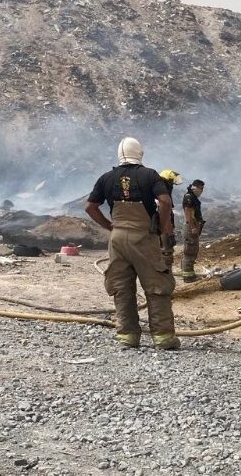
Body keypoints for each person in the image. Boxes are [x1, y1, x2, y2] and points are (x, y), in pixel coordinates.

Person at [85, 137, 180, 350]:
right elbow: (164, 201)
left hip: (117, 239)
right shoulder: (149, 175)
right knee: (157, 285)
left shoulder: (106, 178)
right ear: (140, 153)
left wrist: (110, 226)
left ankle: (127, 335)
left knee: (121, 287)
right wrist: (163, 226)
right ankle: (163, 337)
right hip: (144, 238)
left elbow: (90, 206)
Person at [158, 169, 183, 272]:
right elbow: (165, 215)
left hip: (160, 229)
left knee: (162, 253)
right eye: (171, 182)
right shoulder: (162, 196)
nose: (172, 185)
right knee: (166, 253)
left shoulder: (158, 193)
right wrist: (170, 233)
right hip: (163, 230)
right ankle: (165, 278)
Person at [180, 179, 205, 281]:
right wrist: (193, 227)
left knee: (191, 250)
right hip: (191, 227)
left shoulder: (192, 197)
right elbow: (188, 213)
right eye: (201, 188)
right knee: (190, 251)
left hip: (192, 226)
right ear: (196, 187)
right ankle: (188, 277)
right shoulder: (189, 197)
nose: (202, 191)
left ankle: (187, 273)